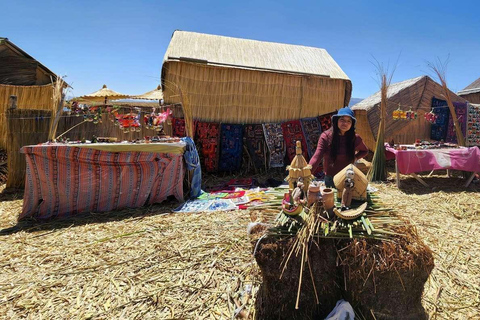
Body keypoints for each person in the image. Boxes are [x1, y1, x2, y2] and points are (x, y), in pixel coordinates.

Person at [309, 107, 368, 188]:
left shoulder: (355, 138)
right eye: (342, 120)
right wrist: (307, 173)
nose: (345, 123)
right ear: (336, 120)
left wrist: (355, 158)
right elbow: (317, 156)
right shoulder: (326, 137)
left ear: (352, 124)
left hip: (347, 177)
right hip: (330, 178)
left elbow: (365, 151)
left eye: (348, 121)